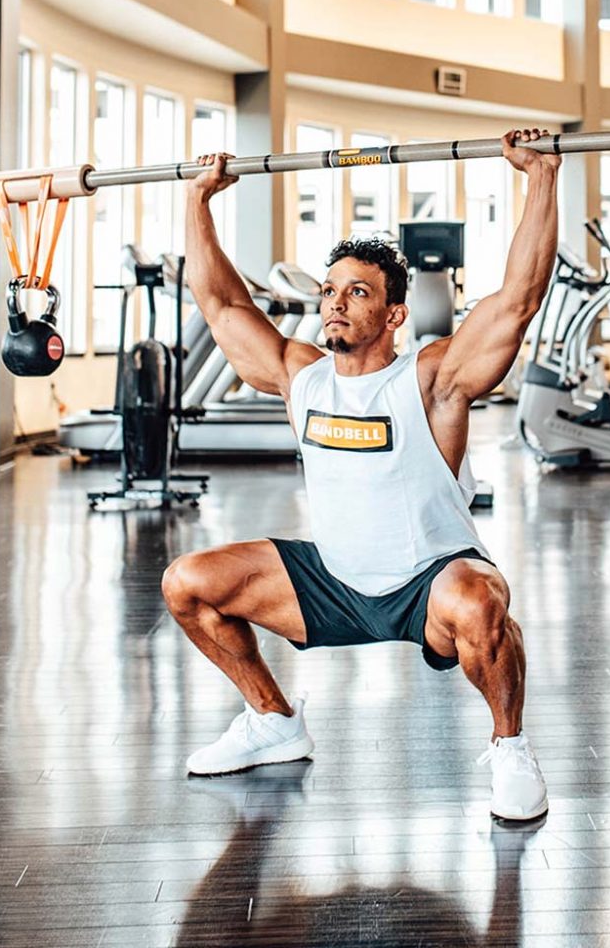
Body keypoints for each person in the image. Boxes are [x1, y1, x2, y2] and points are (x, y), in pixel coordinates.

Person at [161, 128, 561, 821]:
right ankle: (273, 723)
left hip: (426, 582)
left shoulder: (432, 380)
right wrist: (199, 199)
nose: (337, 303)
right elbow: (222, 306)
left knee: (480, 602)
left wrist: (541, 176)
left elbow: (518, 299)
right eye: (330, 291)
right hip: (333, 582)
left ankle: (511, 748)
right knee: (187, 583)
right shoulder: (301, 377)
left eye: (358, 292)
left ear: (394, 313)